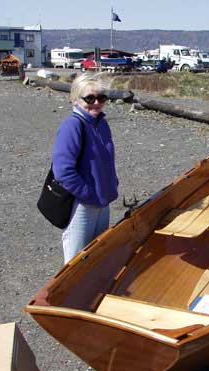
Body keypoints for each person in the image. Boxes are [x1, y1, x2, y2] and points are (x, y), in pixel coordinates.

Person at [52, 74, 118, 263]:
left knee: (98, 256)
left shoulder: (101, 123)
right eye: (90, 98)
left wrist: (110, 186)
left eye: (101, 97)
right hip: (82, 205)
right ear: (75, 98)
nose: (96, 102)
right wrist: (88, 195)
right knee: (76, 262)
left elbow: (105, 161)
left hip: (102, 203)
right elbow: (63, 171)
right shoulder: (72, 126)